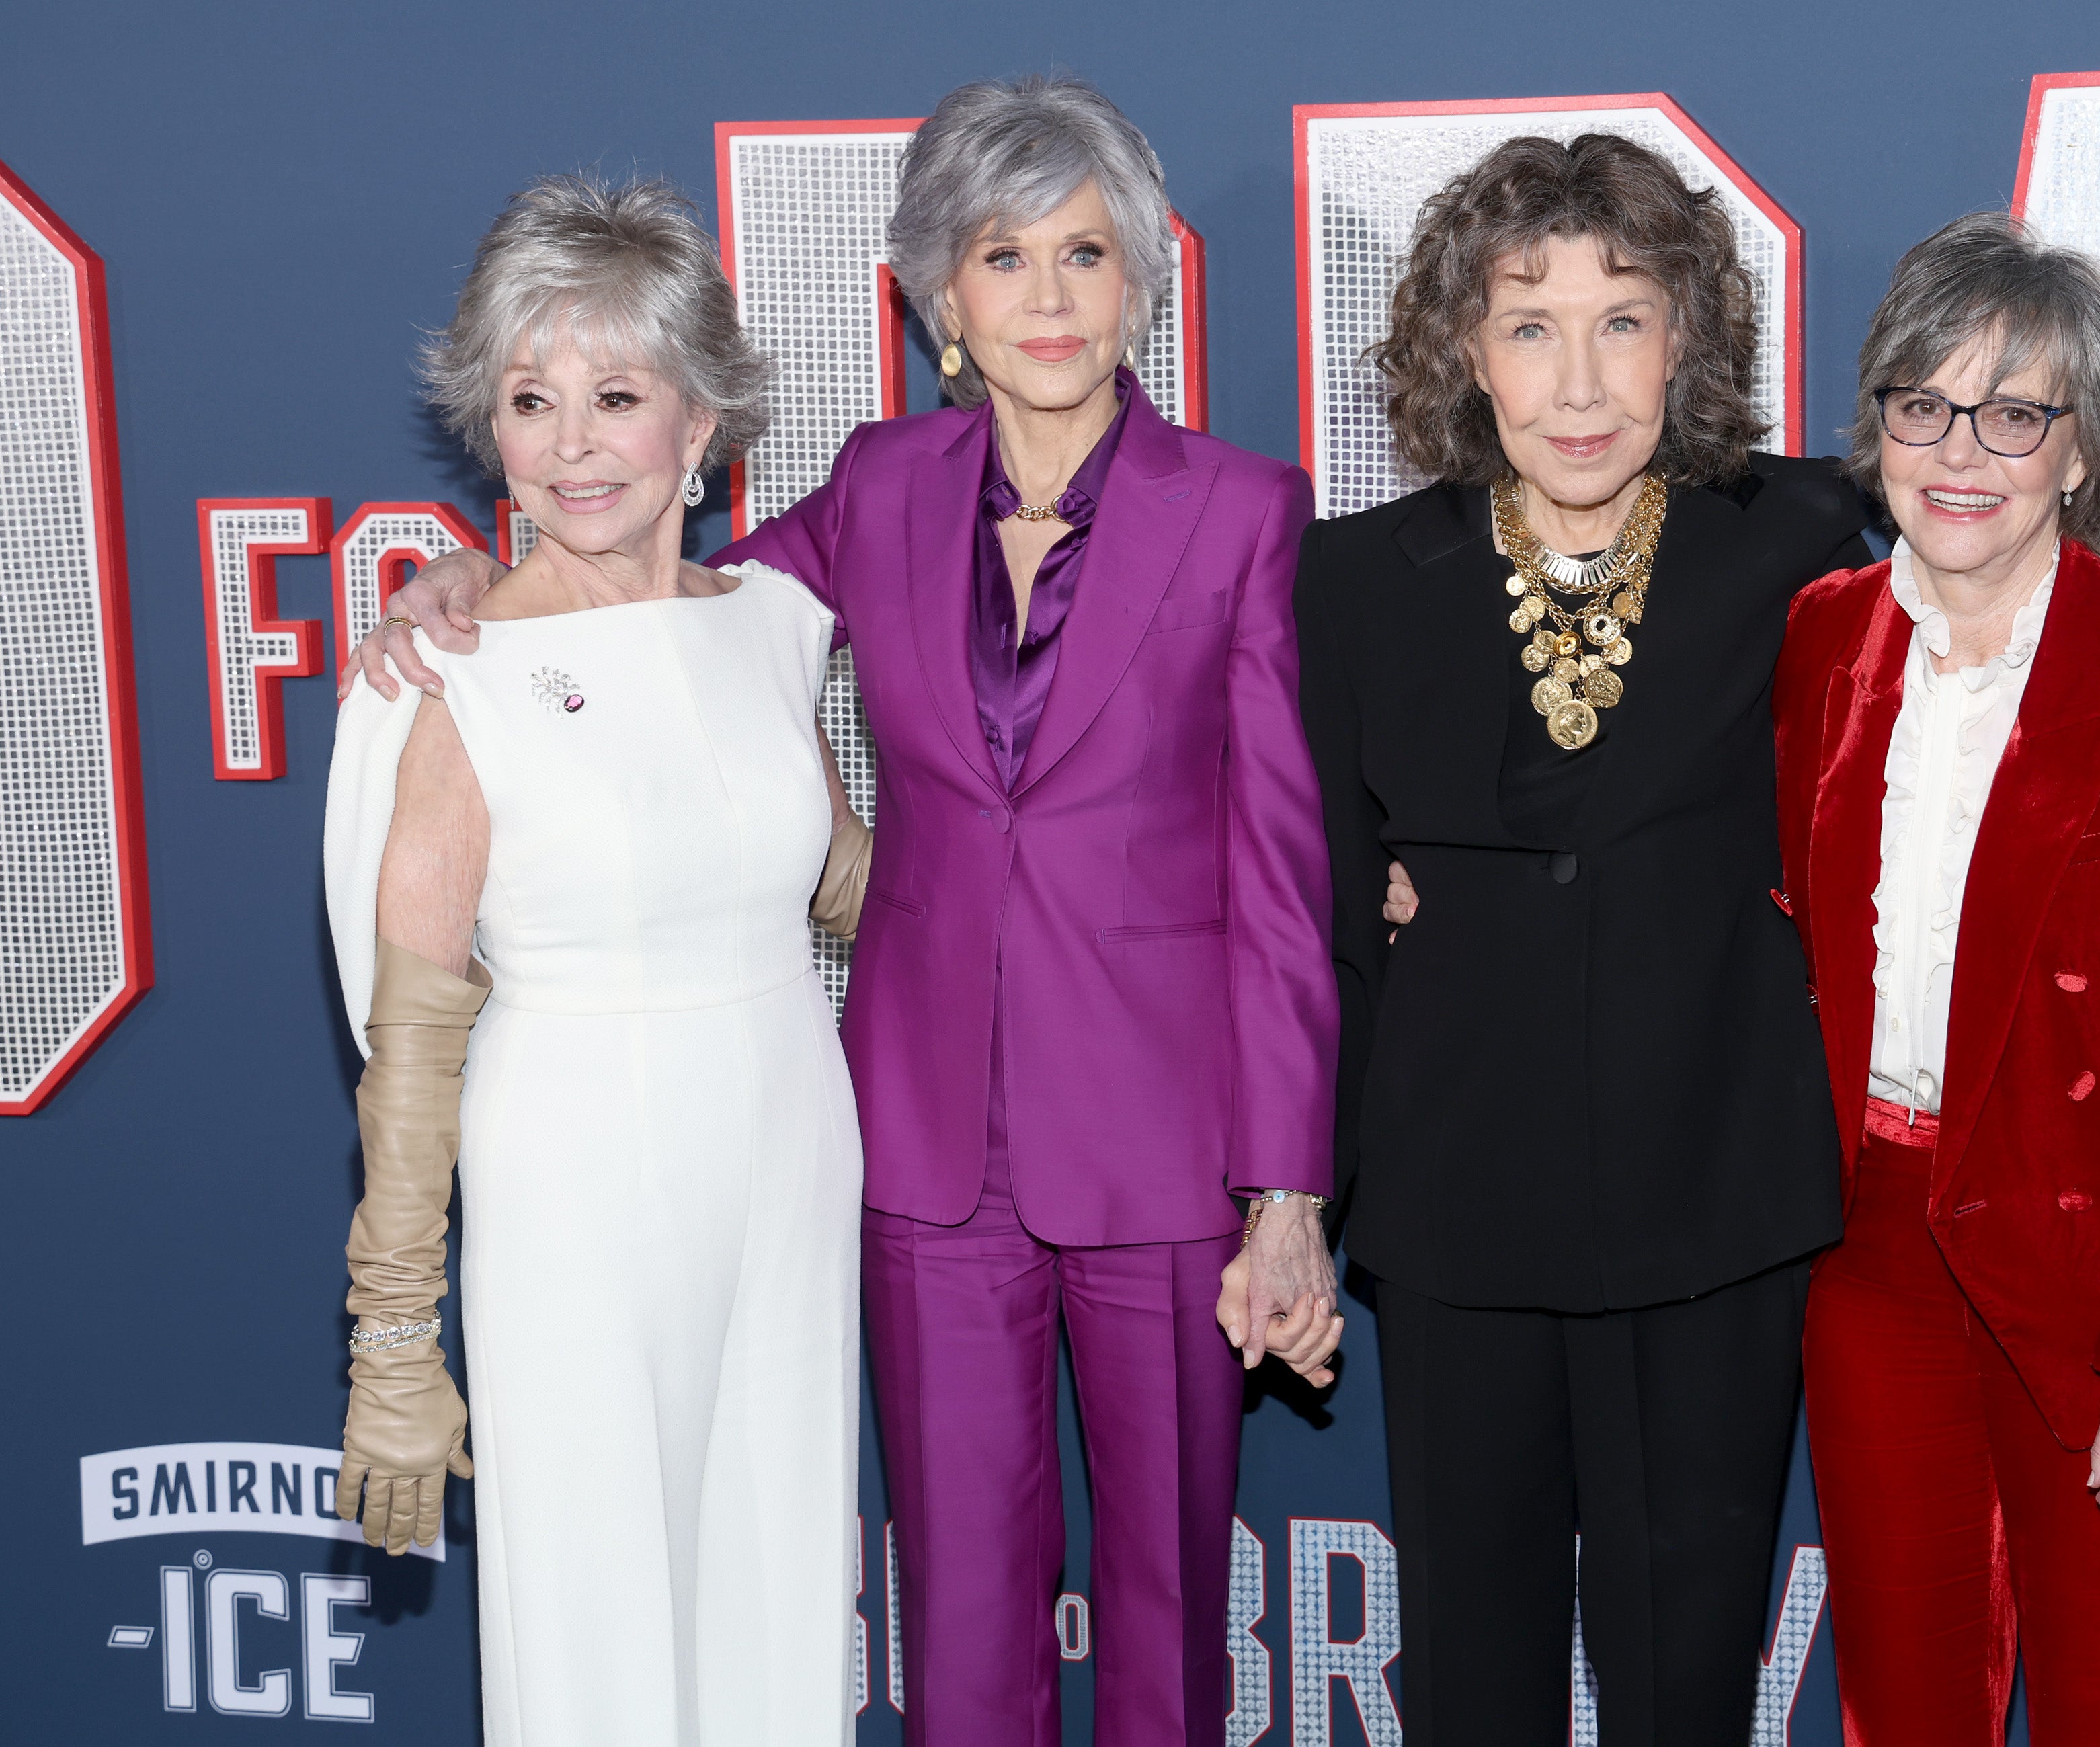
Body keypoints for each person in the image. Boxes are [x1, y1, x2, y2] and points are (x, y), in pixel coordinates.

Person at [348, 75, 1340, 1747]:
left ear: (1142, 285)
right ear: (937, 296)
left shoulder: (1239, 513)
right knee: (961, 1604)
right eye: (1001, 257)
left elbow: (1282, 872)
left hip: (1166, 1145)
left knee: (1173, 1612)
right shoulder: (882, 489)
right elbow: (664, 596)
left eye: (1084, 255)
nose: (1045, 298)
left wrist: (1289, 1188)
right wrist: (462, 575)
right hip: (919, 1147)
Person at [1292, 132, 1871, 1742]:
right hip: (1458, 1199)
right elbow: (1325, 911)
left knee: (1686, 1675)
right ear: (1463, 354)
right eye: (1529, 325)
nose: (1579, 379)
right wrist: (1295, 1196)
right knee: (1474, 1678)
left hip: (1716, 1199)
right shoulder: (1350, 583)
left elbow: (2005, 559)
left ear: (1685, 337)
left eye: (1622, 319)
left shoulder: (1807, 538)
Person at [322, 174, 862, 1744]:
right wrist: (395, 1342)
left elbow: (854, 890)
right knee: (599, 1626)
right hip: (572, 1177)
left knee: (774, 1590)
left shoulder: (772, 625)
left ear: (700, 424)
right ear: (490, 429)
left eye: (616, 397)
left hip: (787, 1160)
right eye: (530, 399)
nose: (570, 444)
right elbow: (411, 1051)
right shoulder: (457, 671)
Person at [1771, 212, 2100, 1744]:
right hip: (1870, 1254)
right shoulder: (1817, 643)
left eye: (2015, 414)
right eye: (1923, 404)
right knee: (1904, 1708)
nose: (1961, 450)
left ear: (2085, 452)